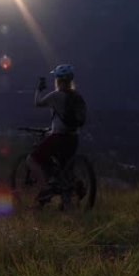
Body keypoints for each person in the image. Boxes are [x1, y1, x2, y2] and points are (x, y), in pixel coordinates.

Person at [26, 64, 83, 207]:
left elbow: (38, 103)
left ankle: (45, 190)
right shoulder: (76, 95)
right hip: (73, 138)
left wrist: (39, 88)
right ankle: (69, 199)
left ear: (58, 80)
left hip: (59, 138)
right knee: (64, 170)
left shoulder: (56, 95)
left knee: (32, 159)